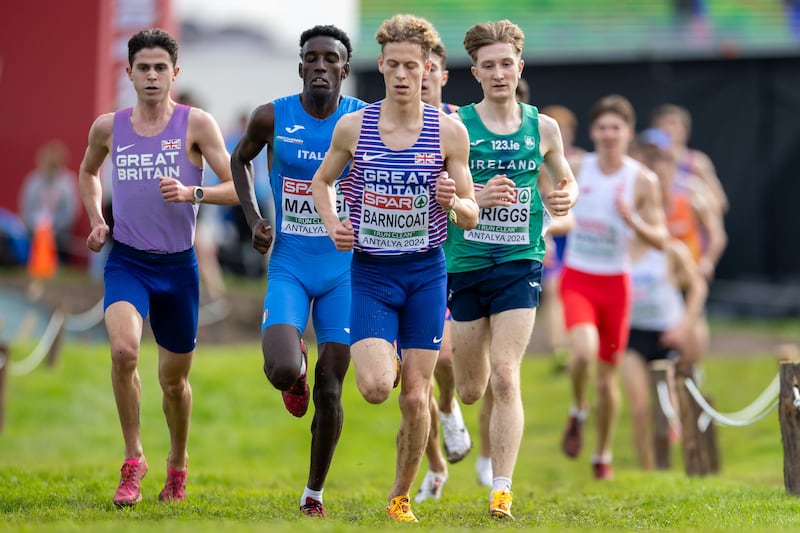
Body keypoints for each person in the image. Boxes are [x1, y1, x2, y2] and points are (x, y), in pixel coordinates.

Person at [311, 13, 478, 523]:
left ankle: (400, 497)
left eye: (414, 66)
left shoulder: (448, 133)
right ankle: (403, 357)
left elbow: (471, 213)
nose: (404, 75)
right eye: (394, 65)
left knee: (414, 398)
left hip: (426, 273)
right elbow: (321, 184)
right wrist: (334, 221)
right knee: (376, 387)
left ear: (428, 68)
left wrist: (456, 203)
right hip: (372, 276)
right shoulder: (353, 126)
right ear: (380, 66)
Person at [77, 28, 239, 507]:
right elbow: (87, 171)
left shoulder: (197, 125)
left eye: (160, 67)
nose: (151, 75)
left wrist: (194, 192)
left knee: (174, 382)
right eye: (142, 68)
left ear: (175, 73)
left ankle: (178, 464)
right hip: (126, 259)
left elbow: (237, 188)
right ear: (128, 73)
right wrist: (96, 219)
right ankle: (133, 460)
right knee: (124, 351)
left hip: (178, 269)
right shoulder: (109, 127)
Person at [444, 20, 578, 519]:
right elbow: (435, 192)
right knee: (471, 386)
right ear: (475, 72)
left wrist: (567, 194)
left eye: (507, 64)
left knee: (505, 374)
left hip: (520, 260)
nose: (499, 73)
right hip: (466, 261)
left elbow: (566, 180)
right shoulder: (456, 126)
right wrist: (474, 197)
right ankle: (448, 407)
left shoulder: (542, 127)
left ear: (519, 68)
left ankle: (502, 489)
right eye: (489, 65)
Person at [230, 24, 365, 518]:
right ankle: (295, 372)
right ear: (301, 65)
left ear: (346, 70)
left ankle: (314, 494)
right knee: (283, 368)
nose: (322, 66)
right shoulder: (271, 117)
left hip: (345, 269)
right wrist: (254, 219)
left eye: (333, 59)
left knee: (333, 388)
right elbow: (239, 159)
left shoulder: (362, 120)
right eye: (313, 58)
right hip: (289, 261)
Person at [559, 94, 668, 480]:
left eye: (616, 128)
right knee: (584, 352)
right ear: (593, 132)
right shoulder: (576, 167)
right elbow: (548, 200)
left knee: (608, 380)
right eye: (602, 127)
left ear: (628, 132)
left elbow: (661, 238)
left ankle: (602, 454)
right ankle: (577, 410)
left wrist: (633, 219)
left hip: (615, 285)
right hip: (578, 277)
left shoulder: (642, 180)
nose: (608, 134)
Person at [622, 139, 708, 470]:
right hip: (633, 334)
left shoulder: (672, 250)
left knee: (673, 408)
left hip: (667, 333)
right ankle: (649, 472)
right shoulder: (621, 249)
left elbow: (697, 287)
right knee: (641, 408)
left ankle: (686, 461)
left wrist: (683, 325)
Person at [414, 39, 473, 504]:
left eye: (431, 68)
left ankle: (450, 405)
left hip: (457, 260)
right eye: (416, 67)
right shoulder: (386, 123)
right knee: (411, 382)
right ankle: (434, 465)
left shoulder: (461, 124)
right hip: (402, 261)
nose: (424, 76)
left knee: (447, 363)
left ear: (443, 75)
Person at [636, 126, 726, 377]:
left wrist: (707, 261)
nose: (655, 163)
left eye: (660, 155)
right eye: (648, 153)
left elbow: (717, 235)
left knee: (691, 342)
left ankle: (692, 380)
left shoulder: (691, 194)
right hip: (652, 280)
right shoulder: (639, 197)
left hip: (685, 277)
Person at [538, 105, 585, 373]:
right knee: (554, 289)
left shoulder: (581, 160)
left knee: (570, 289)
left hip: (575, 234)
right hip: (551, 231)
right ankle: (559, 348)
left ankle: (572, 342)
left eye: (565, 130)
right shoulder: (537, 160)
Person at [649, 103, 728, 215]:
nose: (666, 128)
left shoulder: (697, 162)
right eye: (660, 124)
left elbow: (720, 202)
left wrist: (694, 189)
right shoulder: (646, 162)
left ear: (685, 131)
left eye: (672, 123)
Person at [19, 139, 79, 265]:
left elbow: (71, 212)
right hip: (33, 233)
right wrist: (36, 228)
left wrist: (53, 230)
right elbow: (25, 208)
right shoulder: (32, 181)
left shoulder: (67, 183)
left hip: (59, 235)